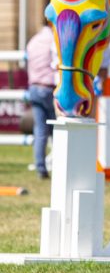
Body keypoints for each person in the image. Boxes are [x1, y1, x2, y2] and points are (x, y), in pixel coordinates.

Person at [26, 22, 58, 179]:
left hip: (34, 87)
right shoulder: (54, 40)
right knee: (56, 131)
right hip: (49, 87)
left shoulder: (33, 41)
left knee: (40, 131)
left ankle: (40, 168)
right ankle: (59, 165)